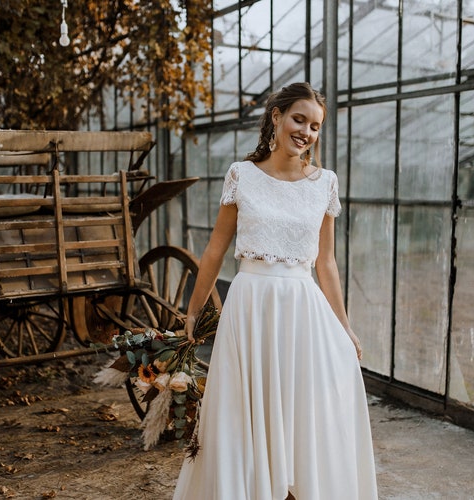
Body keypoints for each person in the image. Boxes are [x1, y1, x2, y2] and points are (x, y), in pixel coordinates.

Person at [173, 82, 378, 500]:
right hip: (250, 306)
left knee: (303, 413)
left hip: (302, 310)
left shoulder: (325, 183)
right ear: (276, 117)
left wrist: (345, 325)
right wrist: (193, 310)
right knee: (242, 415)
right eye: (299, 119)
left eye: (315, 126)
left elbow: (326, 262)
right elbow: (215, 250)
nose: (306, 131)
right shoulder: (241, 175)